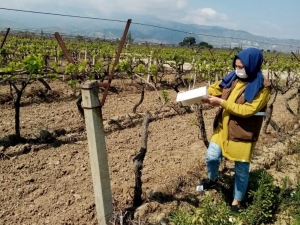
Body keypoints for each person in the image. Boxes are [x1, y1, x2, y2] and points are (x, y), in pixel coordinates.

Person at [200, 47, 271, 212]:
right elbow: (214, 88)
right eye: (236, 66)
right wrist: (194, 95)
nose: (237, 70)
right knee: (211, 157)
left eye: (241, 67)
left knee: (241, 169)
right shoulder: (232, 78)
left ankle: (236, 202)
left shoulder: (263, 87)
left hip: (242, 133)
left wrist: (220, 103)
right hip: (223, 127)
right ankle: (212, 180)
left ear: (252, 66)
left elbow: (247, 110)